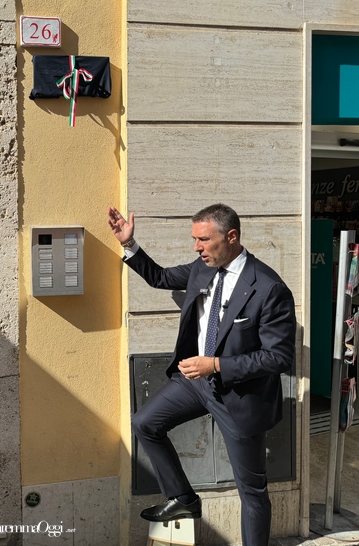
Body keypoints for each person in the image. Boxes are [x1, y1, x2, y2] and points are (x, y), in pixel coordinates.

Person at [107, 203, 296, 546]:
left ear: (231, 236)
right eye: (195, 239)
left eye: (204, 240)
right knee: (145, 423)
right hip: (196, 384)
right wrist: (129, 244)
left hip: (240, 396)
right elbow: (161, 278)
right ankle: (183, 498)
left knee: (252, 492)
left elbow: (278, 357)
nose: (197, 247)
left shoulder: (269, 287)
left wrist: (217, 365)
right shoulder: (203, 268)